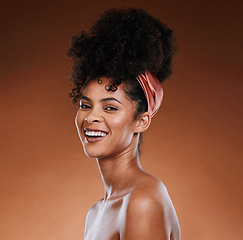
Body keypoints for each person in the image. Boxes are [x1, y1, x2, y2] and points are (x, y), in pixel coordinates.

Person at [67, 8, 180, 240]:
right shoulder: (96, 212)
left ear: (141, 120)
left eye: (110, 107)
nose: (92, 117)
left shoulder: (142, 201)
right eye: (86, 105)